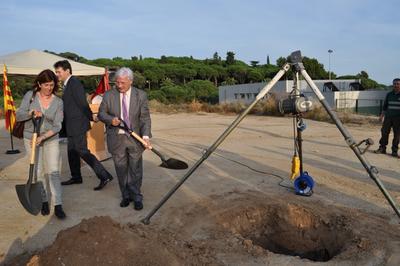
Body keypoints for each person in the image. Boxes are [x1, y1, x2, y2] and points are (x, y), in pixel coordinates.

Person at [54, 60, 113, 190]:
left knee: (82, 151)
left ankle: (104, 175)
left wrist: (90, 116)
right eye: (56, 72)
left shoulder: (74, 83)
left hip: (77, 124)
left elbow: (82, 103)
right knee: (71, 152)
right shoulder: (67, 84)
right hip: (71, 125)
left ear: (67, 70)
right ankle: (76, 177)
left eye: (59, 71)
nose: (57, 74)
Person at [98, 67, 151, 210]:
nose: (119, 86)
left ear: (131, 81)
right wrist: (110, 120)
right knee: (121, 169)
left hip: (135, 138)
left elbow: (145, 118)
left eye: (122, 83)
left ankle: (137, 196)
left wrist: (145, 136)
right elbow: (101, 114)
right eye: (117, 83)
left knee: (135, 169)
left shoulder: (141, 95)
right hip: (117, 139)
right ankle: (125, 195)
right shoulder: (109, 95)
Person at [16, 69, 66, 219]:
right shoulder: (30, 96)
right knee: (37, 172)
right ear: (39, 84)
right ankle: (44, 200)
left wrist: (42, 137)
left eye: (51, 85)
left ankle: (58, 204)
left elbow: (58, 126)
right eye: (46, 85)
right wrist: (31, 113)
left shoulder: (58, 102)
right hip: (30, 139)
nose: (49, 88)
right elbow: (19, 116)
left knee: (53, 172)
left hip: (50, 139)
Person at [375, 78, 400, 157]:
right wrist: (381, 116)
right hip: (388, 117)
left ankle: (394, 151)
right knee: (384, 133)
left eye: (398, 84)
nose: (396, 85)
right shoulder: (389, 94)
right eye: (395, 83)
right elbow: (385, 107)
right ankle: (382, 148)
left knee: (397, 135)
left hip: (398, 119)